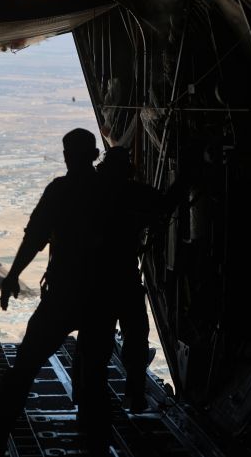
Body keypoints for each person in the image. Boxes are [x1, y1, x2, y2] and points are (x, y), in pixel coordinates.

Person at [0, 128, 117, 457]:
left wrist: (12, 276)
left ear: (69, 155)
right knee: (96, 375)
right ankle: (96, 443)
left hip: (64, 294)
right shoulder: (111, 190)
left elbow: (35, 237)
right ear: (95, 154)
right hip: (101, 297)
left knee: (27, 365)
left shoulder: (61, 190)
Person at [96, 146, 189, 413]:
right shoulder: (133, 193)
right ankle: (134, 397)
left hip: (97, 282)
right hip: (124, 279)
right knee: (136, 340)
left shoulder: (91, 193)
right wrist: (187, 176)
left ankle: (91, 398)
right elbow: (165, 204)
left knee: (97, 343)